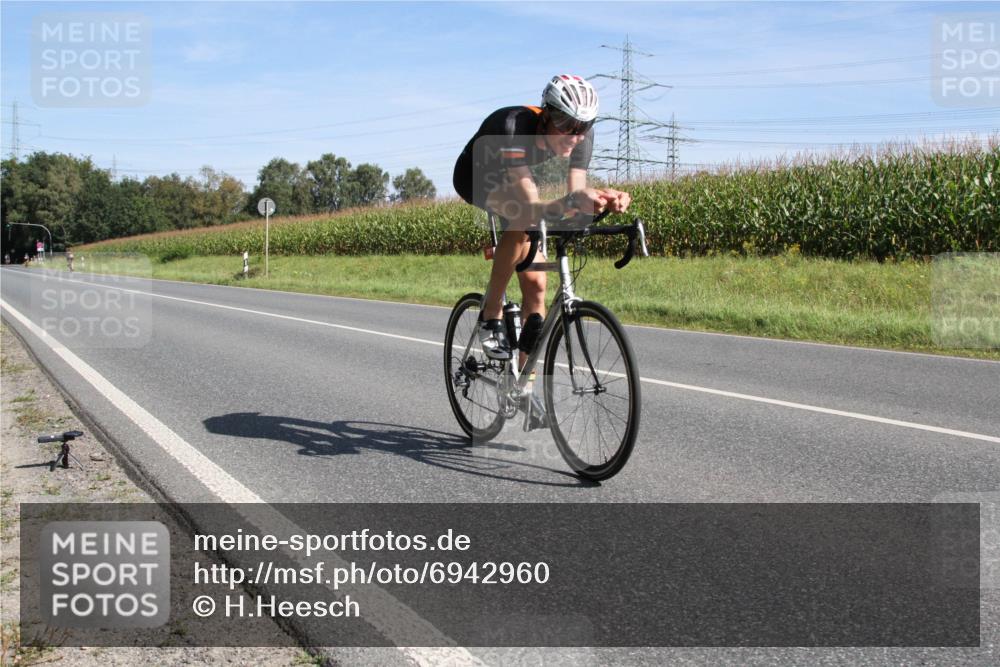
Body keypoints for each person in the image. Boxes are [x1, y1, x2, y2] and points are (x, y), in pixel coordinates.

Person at [453, 74, 632, 365]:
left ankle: (525, 387)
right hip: (477, 177)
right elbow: (531, 205)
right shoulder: (513, 127)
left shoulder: (580, 137)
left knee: (537, 286)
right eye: (565, 125)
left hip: (517, 179)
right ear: (546, 115)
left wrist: (601, 199)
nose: (574, 136)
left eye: (583, 127)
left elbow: (576, 192)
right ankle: (491, 311)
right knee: (523, 217)